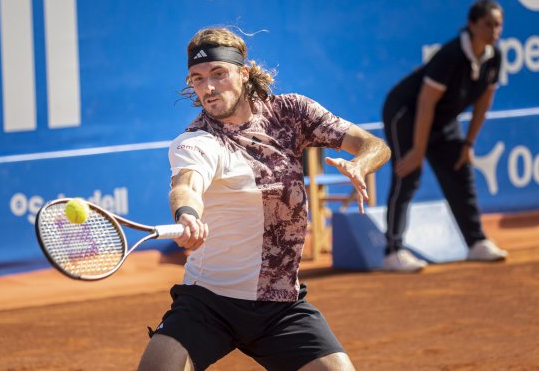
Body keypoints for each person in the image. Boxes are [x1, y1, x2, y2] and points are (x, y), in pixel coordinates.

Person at [137, 27, 390, 371]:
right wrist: (187, 214)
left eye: (218, 74)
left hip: (281, 305)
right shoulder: (196, 141)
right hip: (210, 302)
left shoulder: (292, 113)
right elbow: (187, 184)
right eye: (197, 79)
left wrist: (361, 164)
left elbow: (374, 145)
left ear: (243, 73)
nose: (208, 88)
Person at [381, 0, 508, 272]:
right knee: (408, 176)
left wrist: (469, 143)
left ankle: (476, 243)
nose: (494, 31)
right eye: (488, 24)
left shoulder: (494, 56)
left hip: (443, 120)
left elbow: (484, 103)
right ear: (472, 25)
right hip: (407, 114)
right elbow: (426, 103)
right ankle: (393, 251)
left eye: (498, 25)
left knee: (460, 171)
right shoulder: (450, 56)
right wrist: (417, 149)